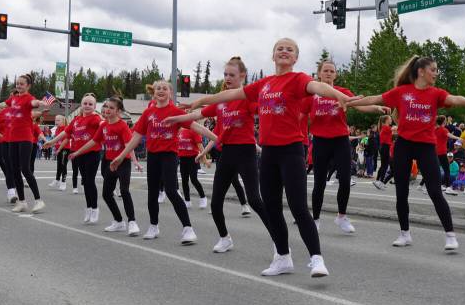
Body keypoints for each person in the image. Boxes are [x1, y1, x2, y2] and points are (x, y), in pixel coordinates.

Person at [188, 39, 355, 276]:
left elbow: (318, 87)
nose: (284, 51)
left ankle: (317, 259)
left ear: (295, 58)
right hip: (268, 154)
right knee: (273, 208)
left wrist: (338, 95)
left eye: (290, 49)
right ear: (273, 55)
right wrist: (202, 100)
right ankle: (283, 259)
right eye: (280, 48)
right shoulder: (263, 84)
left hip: (291, 151)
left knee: (298, 207)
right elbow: (231, 94)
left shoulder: (298, 80)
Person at [347, 55, 465, 252]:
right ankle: (405, 234)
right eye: (433, 70)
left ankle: (450, 235)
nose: (436, 73)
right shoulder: (402, 91)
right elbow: (376, 98)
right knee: (401, 192)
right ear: (421, 71)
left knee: (435, 191)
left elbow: (454, 98)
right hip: (404, 144)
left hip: (426, 146)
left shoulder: (436, 93)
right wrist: (350, 103)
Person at [165, 57, 269, 253]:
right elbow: (197, 115)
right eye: (225, 75)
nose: (228, 78)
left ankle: (278, 241)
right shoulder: (221, 101)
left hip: (246, 151)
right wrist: (177, 117)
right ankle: (224, 238)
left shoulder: (247, 98)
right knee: (215, 202)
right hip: (227, 152)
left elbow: (263, 110)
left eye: (232, 75)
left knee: (254, 199)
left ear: (242, 76)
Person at [110, 80, 216, 245]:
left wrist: (217, 139)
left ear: (170, 93)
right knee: (152, 193)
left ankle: (188, 229)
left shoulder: (175, 111)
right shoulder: (148, 113)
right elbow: (136, 137)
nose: (160, 90)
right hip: (153, 156)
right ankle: (153, 226)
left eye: (164, 88)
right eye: (158, 88)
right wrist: (122, 155)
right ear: (154, 93)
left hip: (169, 156)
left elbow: (197, 127)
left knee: (172, 191)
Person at [306, 59, 387, 234]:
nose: (328, 73)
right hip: (320, 141)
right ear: (319, 73)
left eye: (331, 71)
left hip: (340, 140)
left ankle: (341, 216)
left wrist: (376, 108)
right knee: (319, 183)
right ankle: (316, 219)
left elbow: (360, 104)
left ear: (335, 74)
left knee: (345, 180)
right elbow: (300, 113)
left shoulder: (342, 92)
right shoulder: (312, 94)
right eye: (325, 71)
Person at [68, 96, 141, 235]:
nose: (107, 110)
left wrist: (134, 161)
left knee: (124, 191)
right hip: (108, 162)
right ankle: (119, 221)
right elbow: (93, 142)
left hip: (122, 162)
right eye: (106, 106)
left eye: (111, 108)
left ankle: (132, 222)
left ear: (118, 111)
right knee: (106, 194)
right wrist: (77, 152)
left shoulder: (122, 126)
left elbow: (129, 145)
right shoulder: (104, 125)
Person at [0, 74, 50, 213]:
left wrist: (40, 102)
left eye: (22, 84)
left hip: (25, 138)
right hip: (12, 139)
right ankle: (22, 202)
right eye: (17, 83)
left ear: (28, 86)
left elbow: (34, 103)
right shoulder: (14, 98)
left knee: (25, 169)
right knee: (14, 170)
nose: (19, 86)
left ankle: (39, 200)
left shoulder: (28, 98)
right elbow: (5, 104)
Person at [43, 94, 102, 222]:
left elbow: (103, 124)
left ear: (94, 106)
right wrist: (52, 142)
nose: (87, 106)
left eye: (90, 104)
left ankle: (95, 209)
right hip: (79, 153)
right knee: (85, 182)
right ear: (81, 104)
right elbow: (66, 133)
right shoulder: (76, 120)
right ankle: (89, 208)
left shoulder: (95, 118)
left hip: (92, 153)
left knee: (90, 181)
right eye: (85, 103)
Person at [176, 125, 207, 209]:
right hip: (182, 159)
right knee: (184, 180)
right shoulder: (180, 132)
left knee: (194, 179)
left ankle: (203, 197)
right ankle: (187, 201)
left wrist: (205, 159)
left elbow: (200, 146)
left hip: (193, 158)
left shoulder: (194, 131)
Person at [372, 115, 395, 188]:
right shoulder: (386, 127)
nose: (391, 120)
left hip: (384, 147)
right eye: (390, 119)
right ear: (387, 120)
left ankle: (378, 181)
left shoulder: (384, 127)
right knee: (385, 165)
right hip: (385, 147)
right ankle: (381, 182)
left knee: (384, 165)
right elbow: (395, 129)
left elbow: (394, 132)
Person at [50, 115, 70, 191]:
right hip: (59, 149)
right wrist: (54, 147)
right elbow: (56, 140)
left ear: (63, 121)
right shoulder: (57, 129)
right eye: (55, 120)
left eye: (58, 120)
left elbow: (65, 141)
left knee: (63, 165)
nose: (56, 122)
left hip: (65, 149)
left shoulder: (65, 128)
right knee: (59, 165)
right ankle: (57, 180)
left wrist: (59, 149)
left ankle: (63, 182)